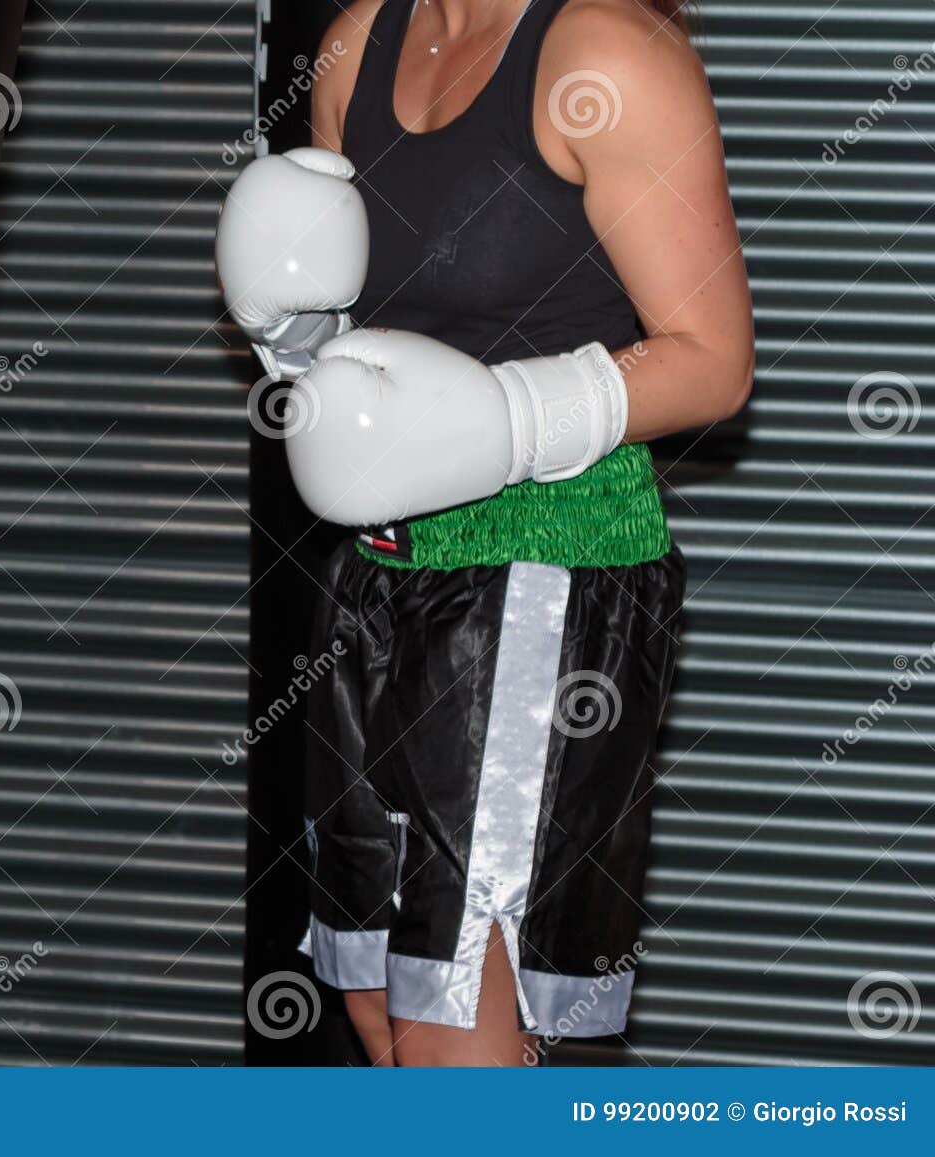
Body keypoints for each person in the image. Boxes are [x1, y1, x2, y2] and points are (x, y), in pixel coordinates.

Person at [217, 0, 753, 1066]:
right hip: (378, 575)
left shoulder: (605, 53)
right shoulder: (354, 42)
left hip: (546, 574)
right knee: (375, 995)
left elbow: (711, 356)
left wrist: (502, 419)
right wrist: (296, 338)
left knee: (455, 1030)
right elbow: (354, 331)